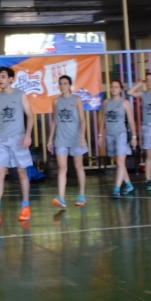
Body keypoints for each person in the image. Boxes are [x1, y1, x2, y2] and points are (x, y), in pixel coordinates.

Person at [0, 66, 34, 225]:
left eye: (3, 76)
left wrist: (28, 135)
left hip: (18, 139)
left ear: (11, 79)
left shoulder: (20, 95)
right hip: (1, 140)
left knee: (21, 173)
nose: (0, 79)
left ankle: (25, 207)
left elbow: (30, 116)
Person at [47, 74, 87, 209]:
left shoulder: (77, 100)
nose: (62, 86)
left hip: (76, 138)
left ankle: (82, 195)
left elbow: (82, 120)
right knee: (62, 168)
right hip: (61, 138)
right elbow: (55, 122)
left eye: (65, 83)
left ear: (70, 85)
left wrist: (82, 136)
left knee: (78, 166)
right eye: (60, 83)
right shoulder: (56, 102)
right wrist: (50, 139)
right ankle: (61, 198)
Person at [98, 78, 137, 198]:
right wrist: (100, 135)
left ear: (120, 89)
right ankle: (128, 184)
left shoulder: (124, 102)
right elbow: (103, 119)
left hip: (121, 134)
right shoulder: (106, 102)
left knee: (120, 162)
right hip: (109, 134)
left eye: (116, 87)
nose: (113, 89)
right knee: (119, 162)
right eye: (112, 86)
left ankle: (116, 188)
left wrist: (134, 136)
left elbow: (131, 120)